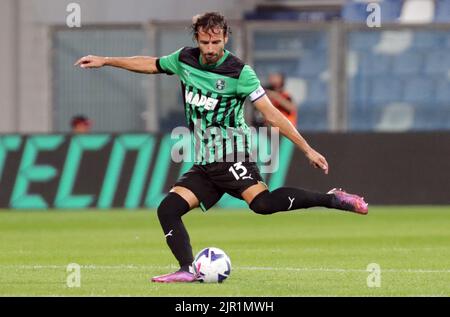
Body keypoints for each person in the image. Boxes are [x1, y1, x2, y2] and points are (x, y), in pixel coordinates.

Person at [75, 12, 368, 283]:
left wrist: (307, 149)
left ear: (226, 38)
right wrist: (106, 60)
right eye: (205, 42)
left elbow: (270, 113)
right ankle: (187, 269)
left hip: (232, 154)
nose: (211, 47)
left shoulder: (240, 73)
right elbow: (151, 64)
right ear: (197, 40)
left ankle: (332, 199)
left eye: (216, 41)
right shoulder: (184, 59)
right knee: (168, 209)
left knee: (262, 205)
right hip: (205, 162)